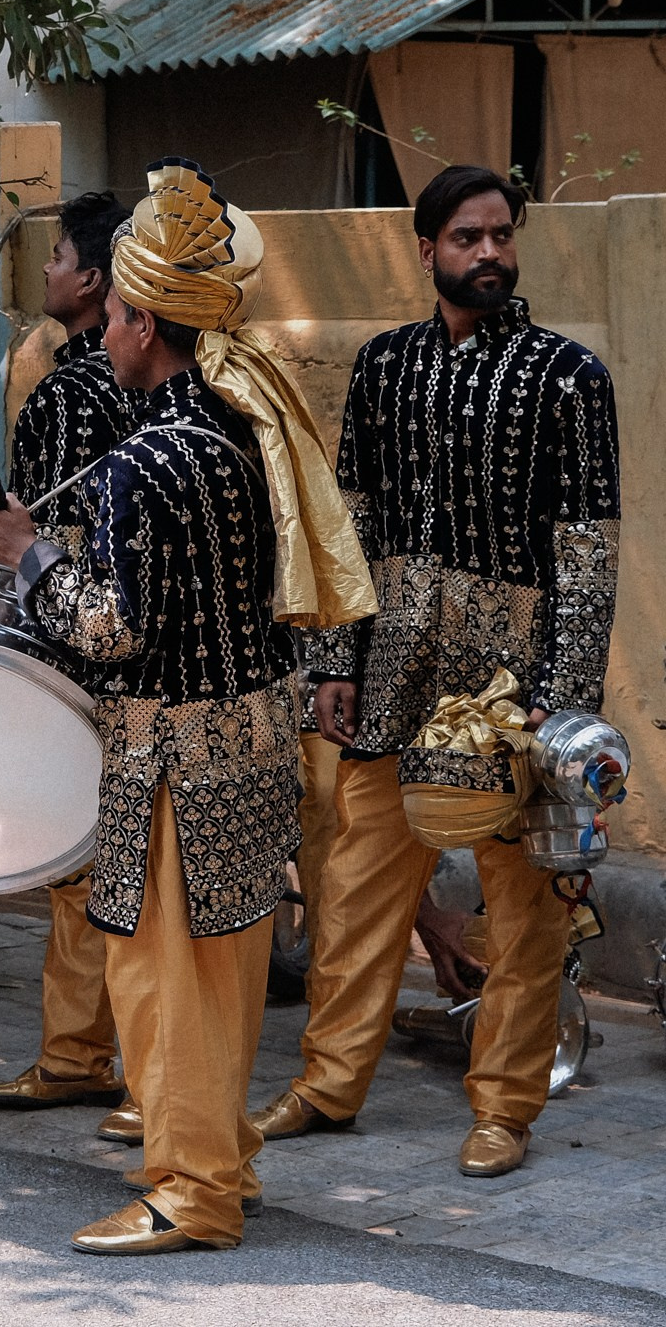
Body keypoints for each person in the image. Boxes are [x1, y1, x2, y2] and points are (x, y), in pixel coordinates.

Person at [0, 158, 374, 1253]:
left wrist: (25, 555)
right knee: (220, 977)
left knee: (165, 987)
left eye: (113, 315)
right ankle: (221, 1161)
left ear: (145, 325)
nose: (102, 331)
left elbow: (112, 628)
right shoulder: (239, 428)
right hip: (247, 745)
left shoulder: (147, 461)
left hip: (173, 762)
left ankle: (191, 1192)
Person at [255, 164, 620, 1178]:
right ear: (427, 251)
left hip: (513, 692)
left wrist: (563, 709)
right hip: (395, 674)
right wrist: (334, 660)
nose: (489, 252)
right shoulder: (384, 366)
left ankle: (504, 1106)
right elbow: (352, 522)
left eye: (501, 234)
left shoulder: (568, 379)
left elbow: (587, 550)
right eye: (467, 237)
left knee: (524, 908)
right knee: (357, 889)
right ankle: (327, 1083)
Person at [0, 190, 137, 1120]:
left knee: (91, 867)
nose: (46, 269)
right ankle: (90, 1057)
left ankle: (100, 1063)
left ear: (97, 282)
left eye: (61, 257)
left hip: (86, 644)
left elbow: (47, 540)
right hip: (141, 648)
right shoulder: (183, 390)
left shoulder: (70, 393)